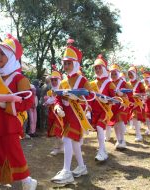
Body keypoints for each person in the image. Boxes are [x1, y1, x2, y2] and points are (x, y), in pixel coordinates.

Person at [0, 34, 37, 190]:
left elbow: (27, 102)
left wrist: (4, 105)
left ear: (11, 56)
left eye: (2, 53)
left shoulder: (20, 79)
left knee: (14, 156)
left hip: (9, 125)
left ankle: (27, 182)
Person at [51, 42, 91, 184]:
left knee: (67, 139)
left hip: (77, 115)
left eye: (68, 63)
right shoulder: (63, 82)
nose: (66, 66)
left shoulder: (83, 80)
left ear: (74, 63)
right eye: (64, 63)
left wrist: (79, 99)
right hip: (66, 115)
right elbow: (58, 98)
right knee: (74, 143)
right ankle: (81, 166)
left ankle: (66, 171)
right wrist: (57, 107)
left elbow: (90, 96)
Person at [90, 54, 117, 161]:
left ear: (104, 68)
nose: (97, 70)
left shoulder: (109, 83)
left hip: (105, 110)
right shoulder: (92, 83)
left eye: (99, 68)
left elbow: (115, 99)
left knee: (100, 128)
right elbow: (90, 98)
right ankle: (103, 149)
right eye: (95, 68)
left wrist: (107, 100)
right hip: (95, 111)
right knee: (98, 129)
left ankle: (101, 151)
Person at [107, 63, 131, 149]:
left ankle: (122, 140)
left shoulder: (123, 82)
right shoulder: (109, 83)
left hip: (122, 106)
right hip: (113, 106)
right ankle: (118, 140)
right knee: (116, 124)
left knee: (120, 122)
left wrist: (122, 94)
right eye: (112, 74)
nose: (113, 76)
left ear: (118, 74)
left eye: (115, 74)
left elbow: (130, 92)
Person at [44, 71, 64, 155]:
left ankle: (60, 148)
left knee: (58, 131)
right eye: (52, 80)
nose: (54, 82)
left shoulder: (63, 91)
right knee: (56, 133)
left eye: (55, 80)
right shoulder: (49, 92)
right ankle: (58, 148)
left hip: (60, 115)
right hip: (52, 114)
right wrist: (47, 104)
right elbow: (48, 103)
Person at [127, 66, 146, 142]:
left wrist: (137, 95)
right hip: (129, 104)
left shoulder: (139, 83)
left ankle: (138, 135)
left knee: (135, 118)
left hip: (137, 103)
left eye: (131, 74)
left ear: (134, 74)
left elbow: (144, 93)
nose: (130, 76)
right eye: (128, 74)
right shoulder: (127, 83)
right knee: (131, 119)